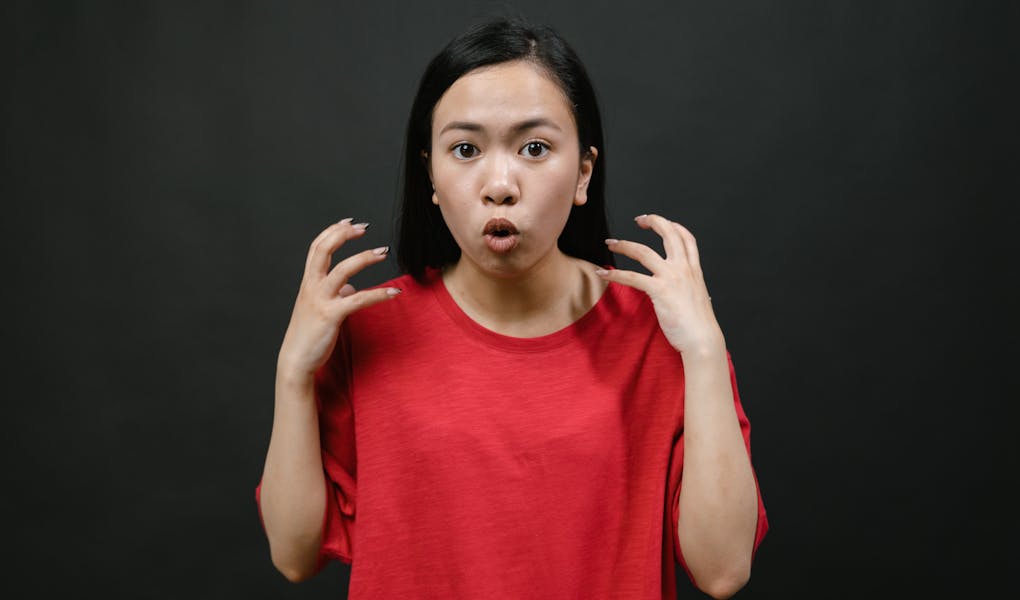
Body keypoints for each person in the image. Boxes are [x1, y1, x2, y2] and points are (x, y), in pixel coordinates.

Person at [256, 16, 768, 600]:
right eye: (466, 149)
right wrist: (292, 371)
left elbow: (723, 570)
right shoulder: (371, 329)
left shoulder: (661, 332)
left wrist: (703, 351)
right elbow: (292, 554)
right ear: (430, 173)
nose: (500, 183)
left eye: (534, 148)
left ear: (583, 173)